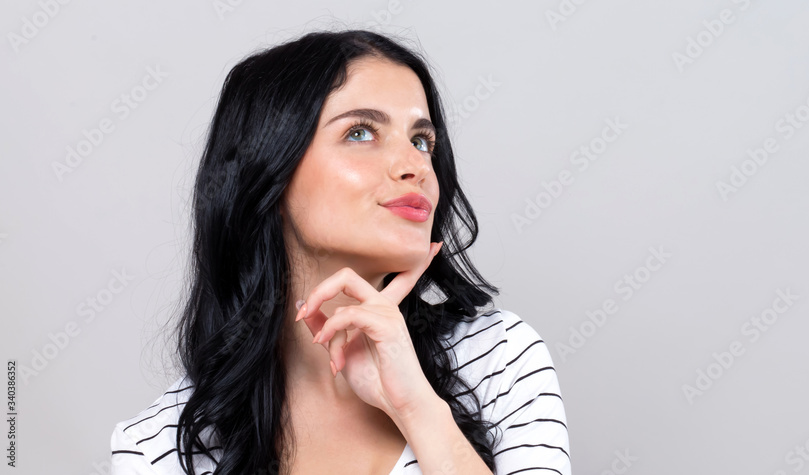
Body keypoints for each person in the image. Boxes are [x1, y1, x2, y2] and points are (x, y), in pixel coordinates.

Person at [107, 30, 571, 475]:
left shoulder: (498, 359)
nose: (415, 166)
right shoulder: (160, 448)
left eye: (421, 140)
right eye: (360, 133)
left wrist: (415, 407)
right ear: (270, 172)